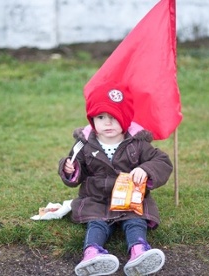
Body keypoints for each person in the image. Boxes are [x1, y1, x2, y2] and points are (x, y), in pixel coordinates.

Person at [58, 84, 173, 275]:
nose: (107, 123)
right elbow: (75, 171)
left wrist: (145, 169)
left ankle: (139, 251)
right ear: (92, 120)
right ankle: (92, 254)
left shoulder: (137, 143)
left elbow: (162, 161)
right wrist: (70, 168)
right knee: (97, 223)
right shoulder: (83, 145)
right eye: (100, 117)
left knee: (136, 221)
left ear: (125, 119)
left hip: (131, 200)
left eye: (114, 118)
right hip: (96, 199)